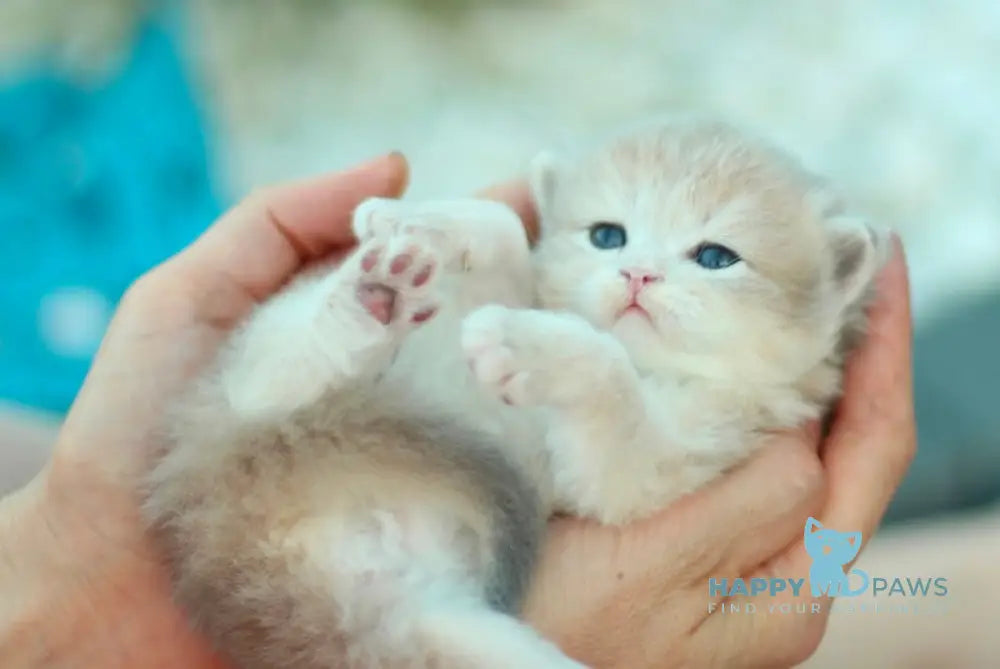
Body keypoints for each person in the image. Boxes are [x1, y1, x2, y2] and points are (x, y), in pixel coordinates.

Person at [0, 152, 916, 668]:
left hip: (341, 485)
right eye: (608, 236)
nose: (636, 271)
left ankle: (315, 350)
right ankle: (314, 345)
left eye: (713, 257)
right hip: (340, 485)